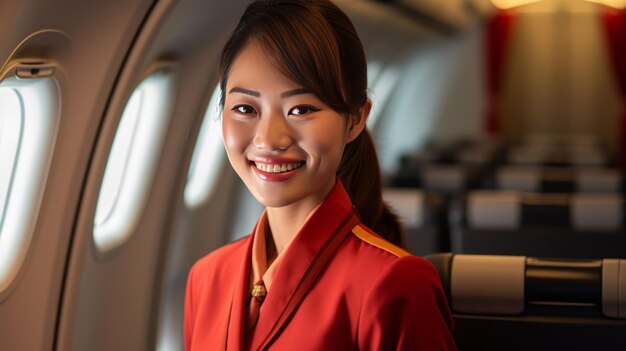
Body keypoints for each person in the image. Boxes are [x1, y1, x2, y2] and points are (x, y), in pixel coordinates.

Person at [184, 0, 456, 350]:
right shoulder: (205, 279)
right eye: (245, 108)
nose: (269, 139)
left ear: (356, 118)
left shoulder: (395, 284)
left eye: (301, 109)